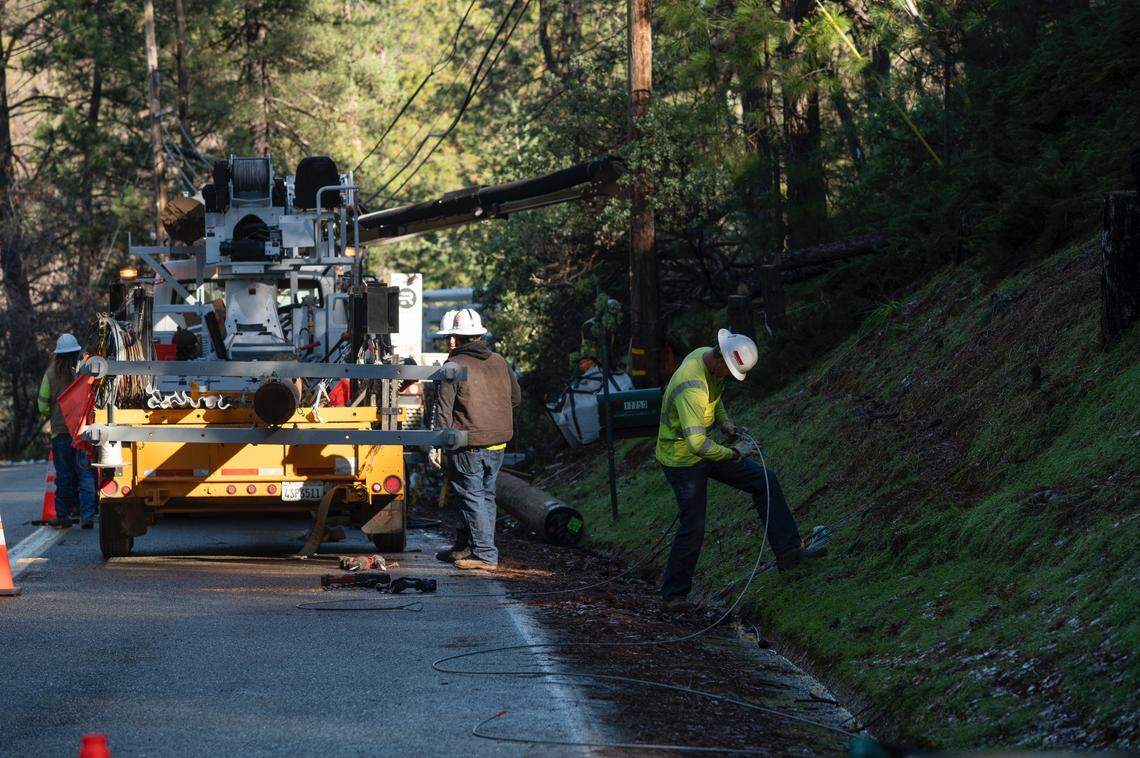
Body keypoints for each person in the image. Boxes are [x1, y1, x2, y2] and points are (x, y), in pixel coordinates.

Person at [656, 329, 825, 609]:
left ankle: (789, 552)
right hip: (682, 460)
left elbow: (716, 397)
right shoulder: (691, 386)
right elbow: (697, 444)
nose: (729, 378)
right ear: (721, 358)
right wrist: (735, 452)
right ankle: (673, 595)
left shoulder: (705, 358)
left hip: (705, 448)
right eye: (730, 372)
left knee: (764, 481)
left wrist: (725, 424)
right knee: (694, 526)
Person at [434, 308, 521, 571]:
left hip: (468, 443)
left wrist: (438, 445)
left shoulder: (452, 367)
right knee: (484, 496)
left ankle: (484, 554)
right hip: (498, 443)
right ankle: (468, 547)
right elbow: (516, 399)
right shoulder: (500, 361)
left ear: (456, 339)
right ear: (479, 335)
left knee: (471, 496)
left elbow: (443, 411)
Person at [37, 333, 97, 530]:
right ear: (76, 352)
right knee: (85, 474)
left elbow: (42, 405)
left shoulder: (50, 374)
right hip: (82, 432)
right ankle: (87, 515)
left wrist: (55, 413)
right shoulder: (84, 371)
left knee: (64, 476)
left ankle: (63, 516)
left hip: (60, 432)